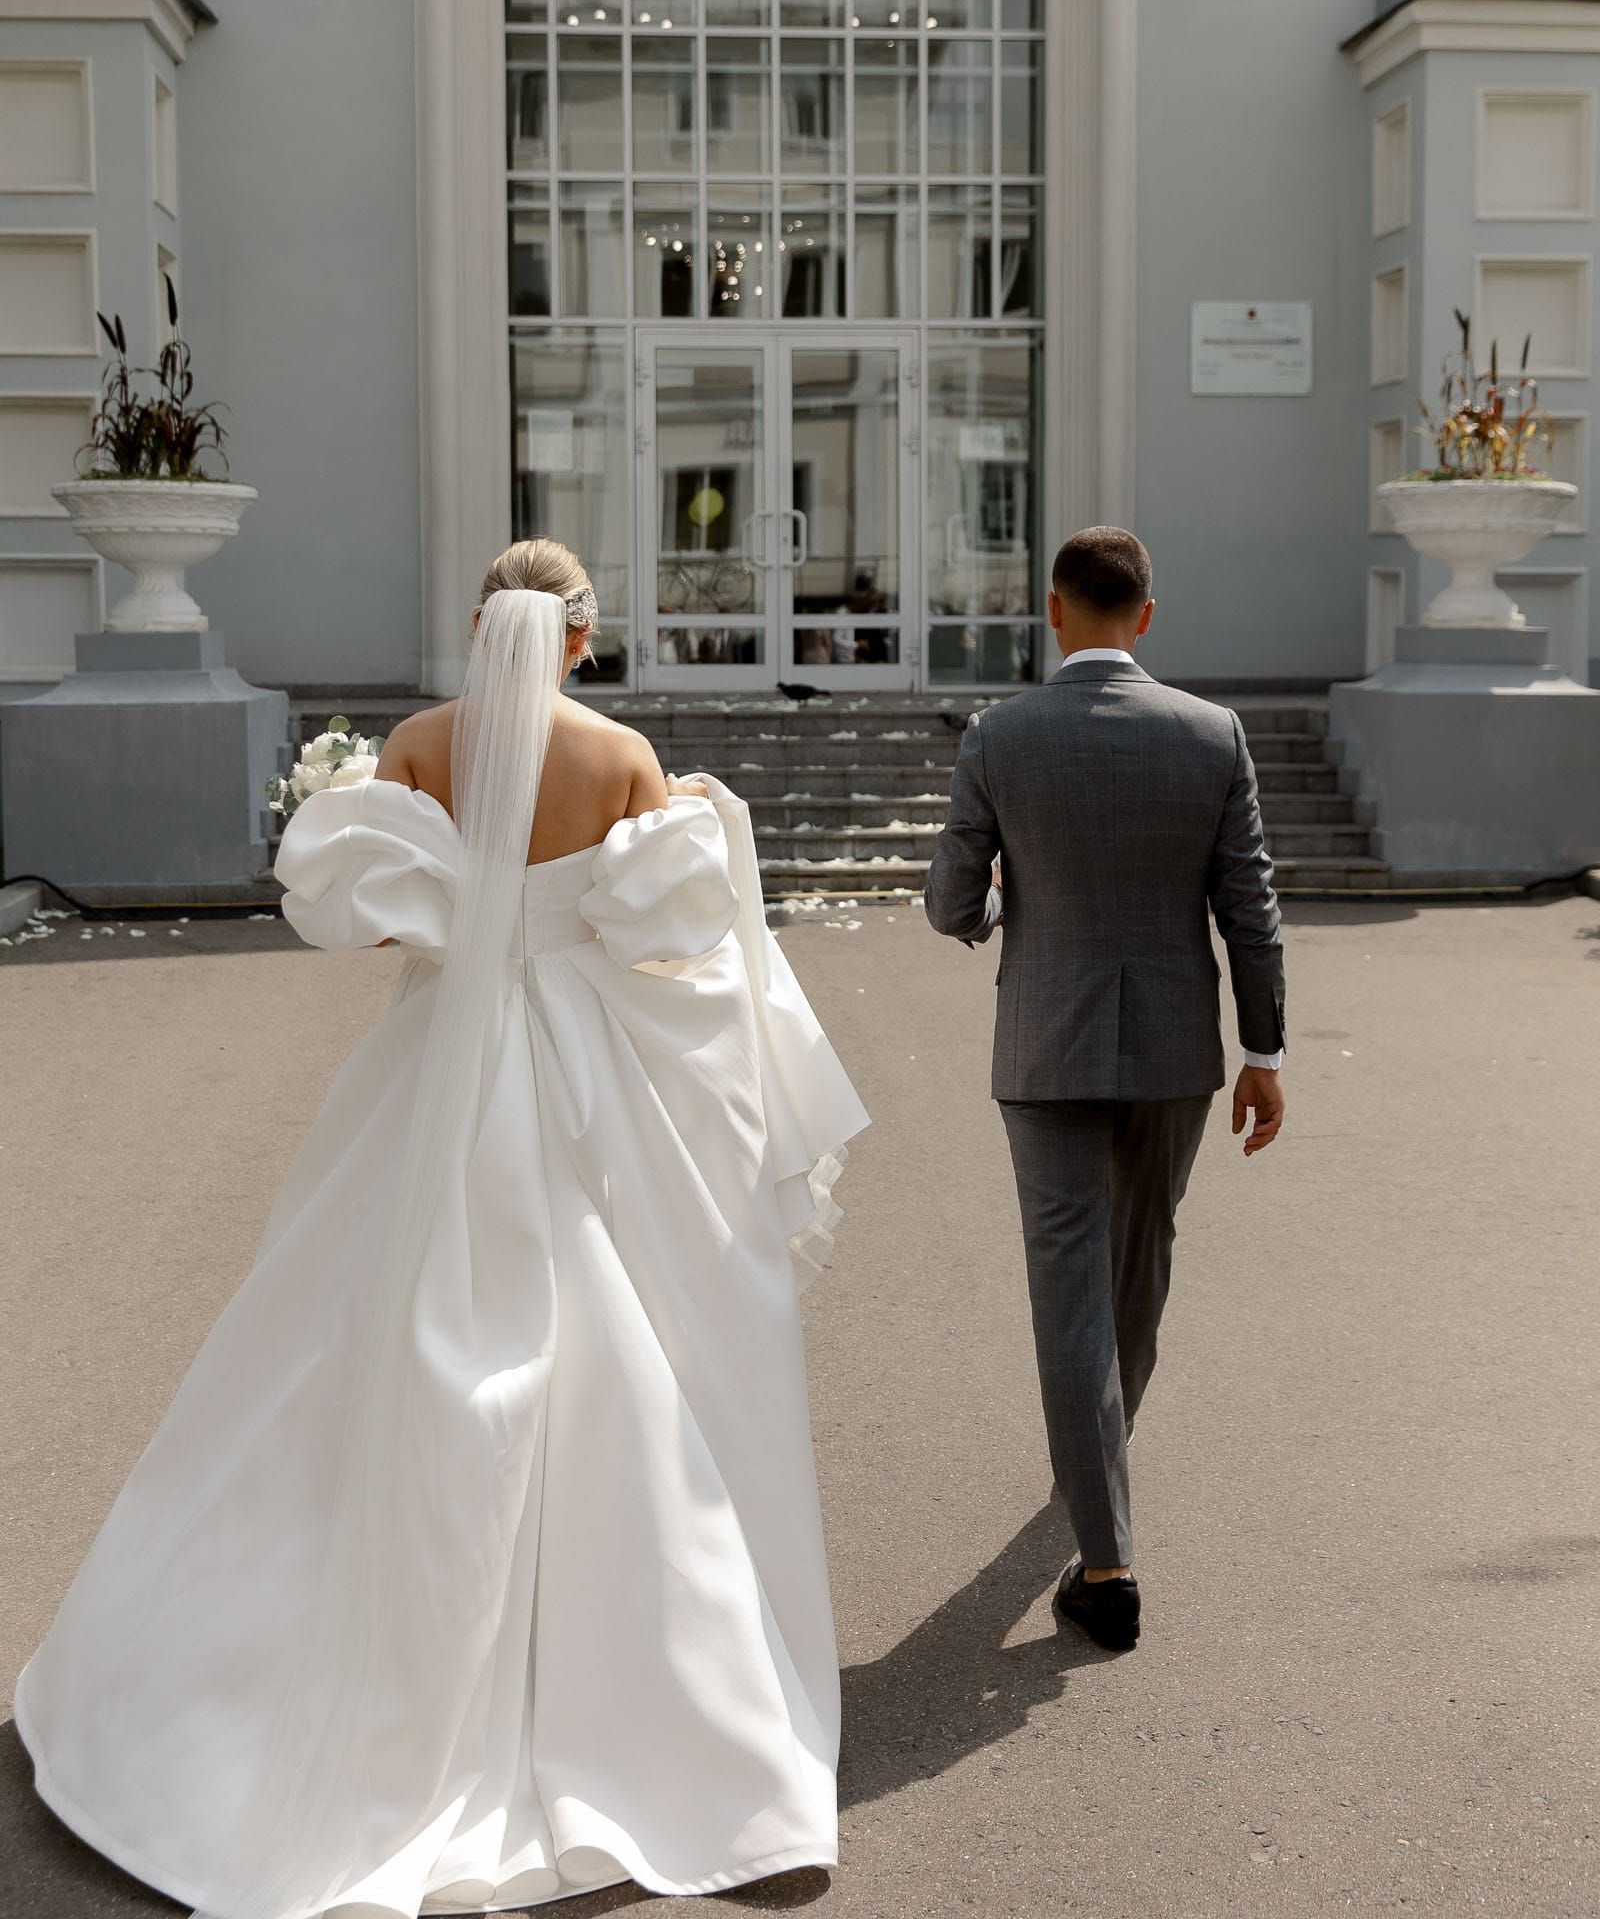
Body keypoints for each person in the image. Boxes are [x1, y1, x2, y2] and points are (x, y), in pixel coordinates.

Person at [15, 537, 869, 1918]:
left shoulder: (418, 743)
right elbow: (662, 936)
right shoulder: (624, 756)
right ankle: (642, 1703)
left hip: (436, 1069)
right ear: (578, 637)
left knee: (341, 1327)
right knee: (613, 1338)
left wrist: (458, 908)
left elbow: (364, 922)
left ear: (483, 623)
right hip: (587, 1070)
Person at [923, 526, 1286, 1653]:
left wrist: (999, 901)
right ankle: (1100, 1462)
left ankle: (1107, 1558)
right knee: (1140, 1263)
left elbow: (950, 905)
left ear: (1052, 610)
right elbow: (1250, 909)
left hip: (1047, 1051)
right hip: (1176, 1053)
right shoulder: (1212, 734)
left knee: (1067, 1282)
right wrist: (1265, 1054)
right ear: (1146, 615)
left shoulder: (1000, 734)